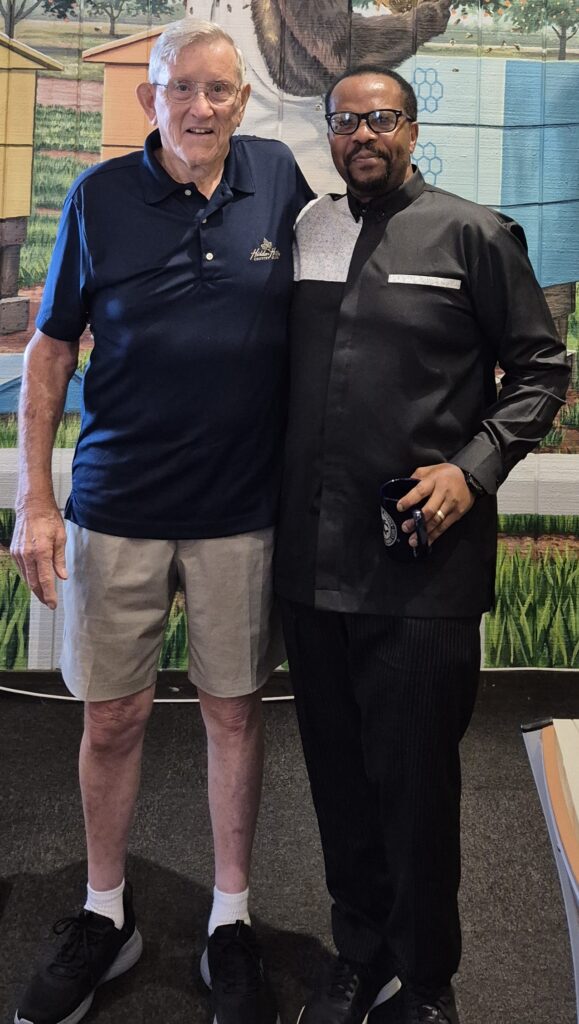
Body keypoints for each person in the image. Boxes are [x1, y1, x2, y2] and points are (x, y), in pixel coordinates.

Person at [11, 18, 313, 1024]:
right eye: (180, 87)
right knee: (112, 715)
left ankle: (231, 917)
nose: (199, 107)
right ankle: (106, 911)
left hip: (240, 512)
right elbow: (51, 350)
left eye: (218, 89)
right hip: (118, 506)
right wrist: (36, 499)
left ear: (243, 100)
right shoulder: (98, 197)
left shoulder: (277, 181)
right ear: (151, 97)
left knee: (234, 711)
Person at [274, 66, 570, 1024]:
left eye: (381, 118)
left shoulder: (472, 234)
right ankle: (358, 952)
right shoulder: (307, 232)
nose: (362, 133)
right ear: (329, 131)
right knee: (337, 781)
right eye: (345, 119)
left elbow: (541, 371)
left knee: (416, 786)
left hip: (421, 566)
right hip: (312, 568)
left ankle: (429, 979)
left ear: (410, 128)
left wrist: (471, 470)